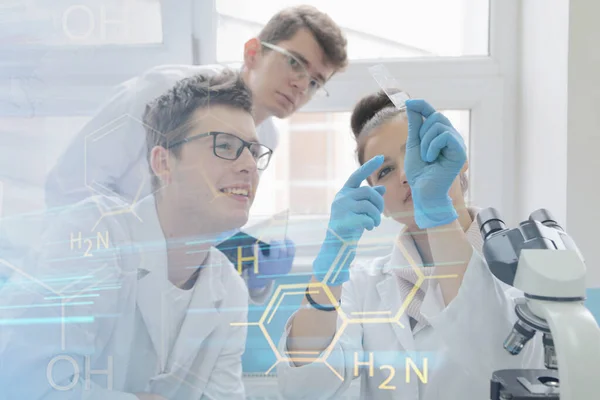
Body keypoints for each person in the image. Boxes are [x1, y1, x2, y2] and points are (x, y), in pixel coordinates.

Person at [43, 5, 349, 304]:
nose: (300, 85)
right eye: (294, 62)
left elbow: (203, 221)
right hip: (89, 277)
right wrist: (134, 250)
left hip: (157, 289)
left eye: (314, 82)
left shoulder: (266, 139)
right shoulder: (163, 91)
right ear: (253, 52)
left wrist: (252, 270)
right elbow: (68, 188)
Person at [0, 69, 265, 400]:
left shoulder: (228, 290)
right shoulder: (91, 235)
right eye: (225, 145)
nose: (249, 166)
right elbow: (25, 386)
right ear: (164, 163)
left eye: (254, 152)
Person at [275, 92, 544, 399]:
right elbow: (305, 389)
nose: (406, 175)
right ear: (379, 200)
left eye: (418, 154)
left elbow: (506, 363)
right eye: (385, 171)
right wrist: (330, 268)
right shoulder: (363, 284)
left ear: (457, 159)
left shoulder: (529, 266)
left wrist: (440, 218)